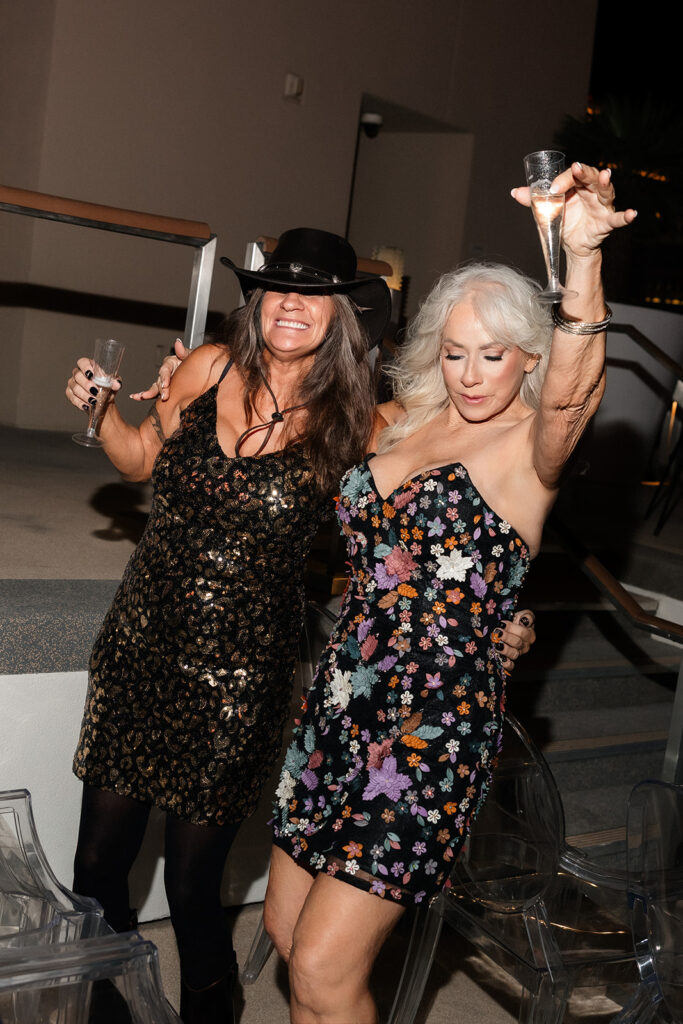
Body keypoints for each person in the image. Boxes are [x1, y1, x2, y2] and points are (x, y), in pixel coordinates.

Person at [65, 225, 539, 1024]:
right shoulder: (208, 367)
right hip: (141, 641)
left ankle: (209, 1009)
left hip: (241, 675)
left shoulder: (363, 422)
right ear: (255, 304)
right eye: (276, 289)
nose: (290, 304)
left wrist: (509, 610)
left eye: (312, 295)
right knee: (96, 864)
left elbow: (466, 506)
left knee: (190, 883)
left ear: (341, 316)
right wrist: (105, 410)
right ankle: (106, 1010)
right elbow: (141, 458)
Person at [262, 163, 637, 1024]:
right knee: (287, 936)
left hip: (430, 731)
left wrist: (581, 259)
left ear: (529, 356)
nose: (471, 374)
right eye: (455, 351)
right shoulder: (404, 422)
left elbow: (574, 396)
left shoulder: (529, 449)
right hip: (339, 703)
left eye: (493, 355)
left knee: (323, 969)